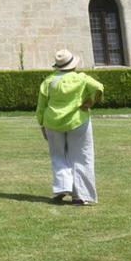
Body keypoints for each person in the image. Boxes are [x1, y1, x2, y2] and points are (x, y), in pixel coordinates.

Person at [36, 48, 104, 206]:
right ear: (73, 64)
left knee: (58, 156)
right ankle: (80, 196)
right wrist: (90, 102)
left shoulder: (48, 81)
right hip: (78, 121)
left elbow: (41, 106)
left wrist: (41, 124)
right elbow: (99, 88)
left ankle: (61, 188)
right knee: (81, 156)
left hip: (52, 122)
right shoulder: (81, 78)